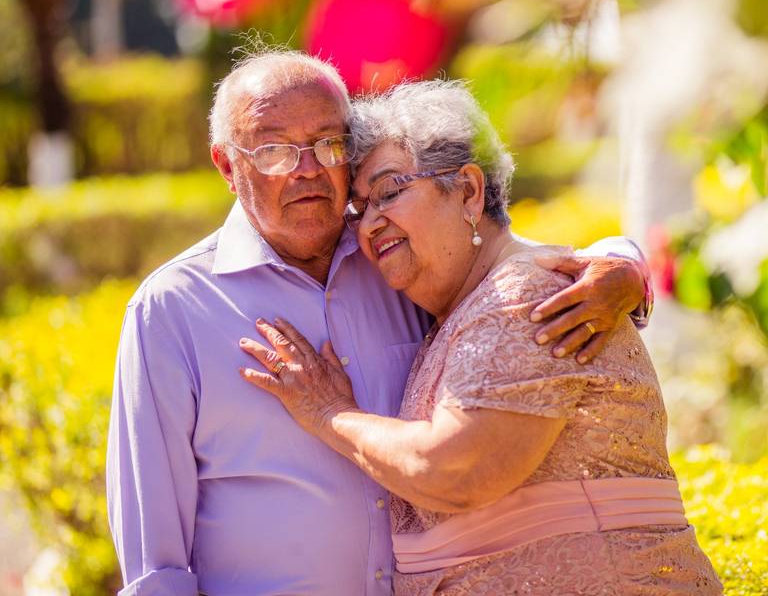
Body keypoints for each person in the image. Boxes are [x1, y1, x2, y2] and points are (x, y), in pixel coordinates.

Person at [106, 50, 653, 595]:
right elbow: (156, 566)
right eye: (274, 150)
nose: (308, 169)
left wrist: (625, 266)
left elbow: (515, 262)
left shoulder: (400, 259)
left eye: (328, 144)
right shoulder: (172, 310)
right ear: (227, 165)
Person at [239, 80, 722, 595]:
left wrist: (329, 413)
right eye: (359, 209)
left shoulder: (523, 295)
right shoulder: (459, 307)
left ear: (469, 191)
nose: (370, 224)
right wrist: (627, 265)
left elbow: (454, 470)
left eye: (389, 192)